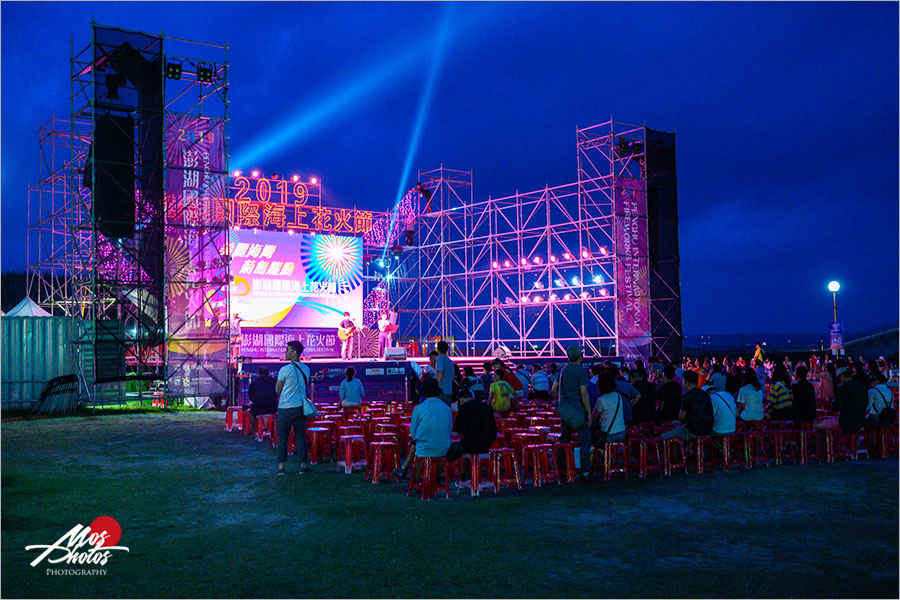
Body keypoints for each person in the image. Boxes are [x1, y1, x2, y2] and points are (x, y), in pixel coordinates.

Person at [394, 378, 452, 480]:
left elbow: (413, 433)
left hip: (425, 448)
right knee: (431, 448)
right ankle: (436, 479)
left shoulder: (419, 408)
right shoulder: (446, 408)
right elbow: (449, 428)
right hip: (444, 446)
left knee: (419, 447)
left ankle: (415, 481)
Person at [552, 346, 593, 480]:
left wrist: (563, 399)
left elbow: (554, 388)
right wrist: (589, 412)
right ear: (579, 356)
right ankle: (585, 471)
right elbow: (584, 393)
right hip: (579, 411)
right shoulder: (581, 371)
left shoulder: (563, 371)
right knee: (585, 441)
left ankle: (560, 467)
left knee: (564, 439)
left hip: (566, 410)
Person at [275, 340, 313, 475]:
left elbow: (277, 389)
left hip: (285, 407)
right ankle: (303, 465)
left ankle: (281, 466)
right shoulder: (306, 369)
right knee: (300, 437)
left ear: (294, 353)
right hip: (299, 407)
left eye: (288, 350)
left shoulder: (284, 369)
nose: (285, 352)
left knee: (282, 438)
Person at [660, 370, 713, 440]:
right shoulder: (706, 395)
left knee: (663, 437)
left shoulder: (688, 396)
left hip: (692, 431)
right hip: (708, 431)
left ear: (687, 382)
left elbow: (681, 417)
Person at [446, 390, 498, 461]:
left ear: (461, 399)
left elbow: (459, 432)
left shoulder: (464, 407)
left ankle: (456, 470)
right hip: (488, 444)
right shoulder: (486, 406)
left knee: (450, 449)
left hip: (470, 445)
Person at [816, 368, 868, 435]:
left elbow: (837, 407)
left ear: (842, 376)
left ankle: (827, 444)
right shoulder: (862, 387)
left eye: (839, 379)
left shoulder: (843, 388)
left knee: (817, 425)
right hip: (861, 421)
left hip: (846, 422)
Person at [591, 370, 626, 444]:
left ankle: (608, 455)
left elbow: (594, 417)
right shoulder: (618, 396)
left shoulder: (601, 399)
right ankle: (612, 454)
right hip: (621, 432)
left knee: (594, 442)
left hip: (607, 434)